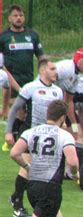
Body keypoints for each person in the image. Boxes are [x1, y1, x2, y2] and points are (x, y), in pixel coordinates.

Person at [2, 100, 81, 217]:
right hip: (50, 189)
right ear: (63, 118)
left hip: (33, 187)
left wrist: (28, 167)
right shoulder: (64, 135)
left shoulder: (31, 132)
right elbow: (73, 161)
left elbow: (14, 153)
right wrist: (76, 175)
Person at [5, 59, 63, 217]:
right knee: (27, 168)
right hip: (30, 134)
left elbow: (59, 114)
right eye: (52, 69)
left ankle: (17, 197)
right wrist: (8, 131)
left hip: (48, 136)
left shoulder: (58, 91)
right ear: (43, 70)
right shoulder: (30, 88)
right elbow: (15, 109)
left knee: (36, 171)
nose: (55, 72)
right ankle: (17, 203)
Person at [0, 4, 44, 147]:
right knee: (17, 109)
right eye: (15, 16)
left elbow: (41, 58)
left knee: (25, 112)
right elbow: (1, 64)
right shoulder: (4, 37)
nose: (19, 18)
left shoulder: (32, 36)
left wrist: (44, 75)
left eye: (21, 16)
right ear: (9, 18)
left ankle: (17, 138)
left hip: (29, 79)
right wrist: (11, 81)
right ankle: (13, 139)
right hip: (12, 80)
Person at [55, 48, 83, 138]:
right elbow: (46, 80)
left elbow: (68, 101)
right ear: (77, 59)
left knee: (77, 135)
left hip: (56, 104)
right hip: (46, 103)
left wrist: (74, 125)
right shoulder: (65, 68)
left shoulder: (76, 78)